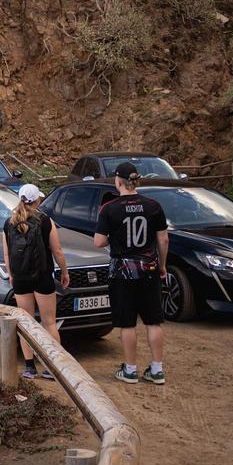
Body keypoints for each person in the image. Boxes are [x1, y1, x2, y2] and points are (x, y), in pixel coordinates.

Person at [94, 162, 169, 385]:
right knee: (154, 321)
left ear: (118, 181)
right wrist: (162, 265)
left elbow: (99, 242)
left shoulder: (109, 208)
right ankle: (157, 370)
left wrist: (114, 237)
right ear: (135, 181)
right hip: (149, 270)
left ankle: (130, 370)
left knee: (127, 323)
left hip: (122, 274)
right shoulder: (153, 206)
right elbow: (163, 239)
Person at [3, 183, 70, 379]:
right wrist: (64, 272)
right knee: (49, 322)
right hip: (42, 277)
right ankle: (52, 367)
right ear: (37, 200)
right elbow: (57, 250)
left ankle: (29, 367)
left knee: (26, 322)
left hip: (21, 279)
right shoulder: (45, 221)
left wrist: (12, 276)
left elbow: (7, 254)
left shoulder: (9, 222)